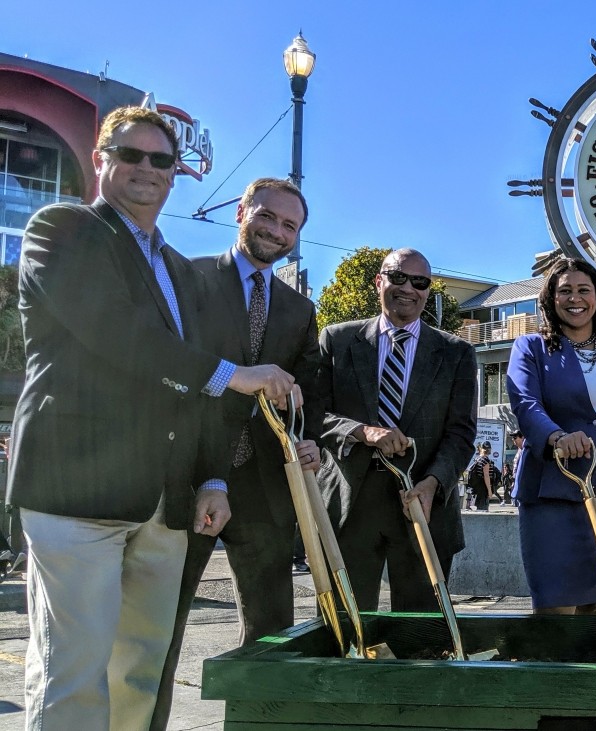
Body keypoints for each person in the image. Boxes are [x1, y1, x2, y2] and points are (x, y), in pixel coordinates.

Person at [8, 105, 295, 729]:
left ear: (175, 174)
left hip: (164, 503)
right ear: (99, 160)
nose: (146, 169)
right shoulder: (62, 228)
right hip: (75, 492)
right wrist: (234, 375)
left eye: (160, 159)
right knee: (71, 677)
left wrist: (212, 478)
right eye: (130, 155)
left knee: (139, 673)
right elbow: (118, 334)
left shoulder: (175, 269)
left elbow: (188, 391)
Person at [152, 178, 323, 730]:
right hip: (187, 476)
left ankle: (262, 724)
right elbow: (171, 372)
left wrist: (308, 432)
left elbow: (308, 389)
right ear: (241, 212)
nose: (276, 230)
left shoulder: (300, 310)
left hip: (265, 485)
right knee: (163, 620)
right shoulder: (188, 278)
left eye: (289, 225)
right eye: (267, 217)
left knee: (272, 625)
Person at [315, 248, 477, 611]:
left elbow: (461, 434)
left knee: (421, 637)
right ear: (379, 281)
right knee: (347, 632)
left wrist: (433, 485)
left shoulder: (457, 353)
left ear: (427, 290)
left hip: (422, 504)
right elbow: (314, 416)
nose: (408, 288)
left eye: (419, 282)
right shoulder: (337, 340)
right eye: (398, 277)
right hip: (350, 505)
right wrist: (362, 431)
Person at [506, 257, 596, 615]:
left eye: (584, 290)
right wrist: (556, 437)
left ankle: (590, 671)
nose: (575, 298)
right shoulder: (531, 348)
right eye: (565, 290)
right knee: (556, 605)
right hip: (553, 485)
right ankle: (554, 670)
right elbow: (525, 404)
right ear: (550, 299)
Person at [467, 441, 501, 512]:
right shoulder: (485, 460)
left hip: (477, 487)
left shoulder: (477, 459)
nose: (488, 450)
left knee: (478, 509)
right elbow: (486, 476)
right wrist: (489, 491)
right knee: (482, 510)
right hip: (483, 489)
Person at [508, 431, 524, 507]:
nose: (513, 440)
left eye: (515, 438)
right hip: (517, 481)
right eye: (512, 439)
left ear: (522, 438)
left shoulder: (526, 450)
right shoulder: (519, 450)